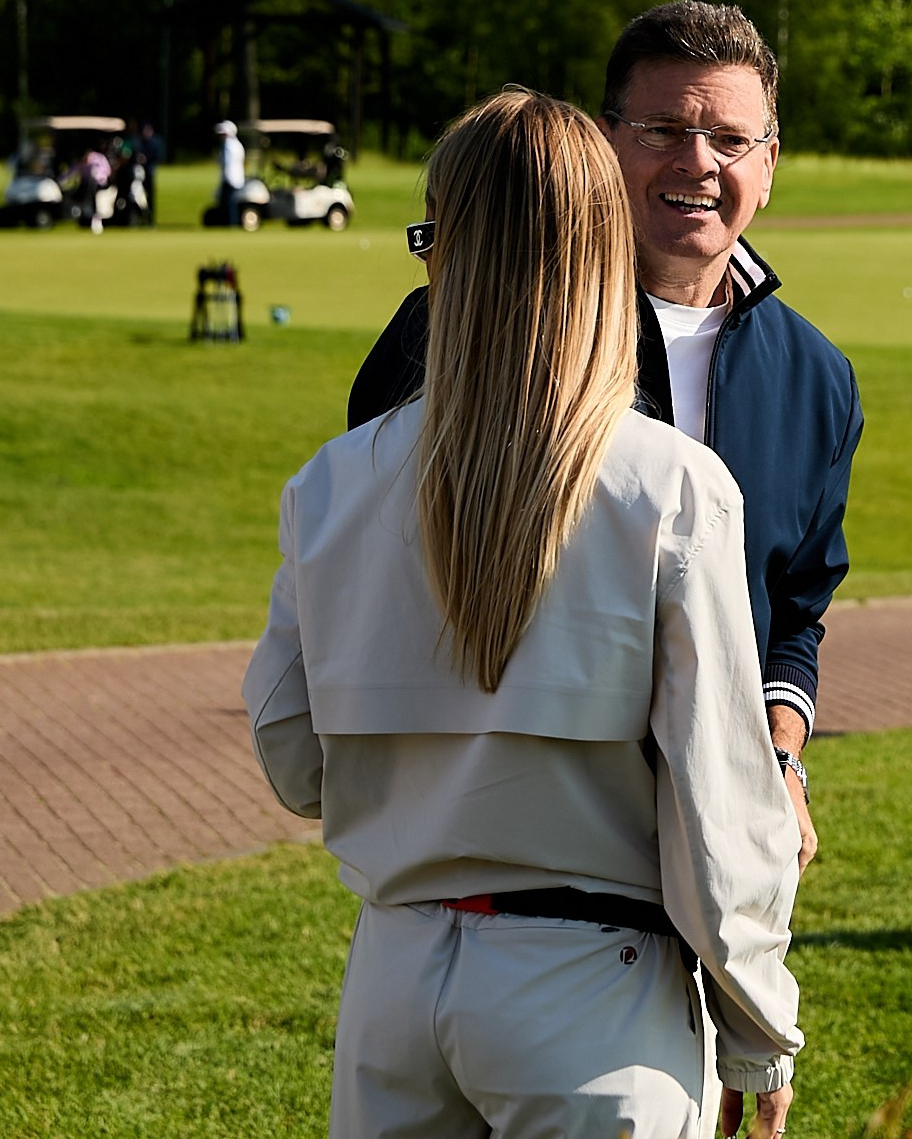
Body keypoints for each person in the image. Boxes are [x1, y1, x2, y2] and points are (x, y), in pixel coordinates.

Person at [242, 91, 804, 1137]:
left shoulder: (333, 482)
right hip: (597, 992)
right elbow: (721, 809)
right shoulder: (671, 488)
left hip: (398, 984)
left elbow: (290, 756)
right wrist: (757, 1031)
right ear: (601, 253)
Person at [347, 2, 862, 866]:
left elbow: (795, 604)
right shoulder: (454, 329)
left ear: (768, 164)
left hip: (724, 839)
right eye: (663, 129)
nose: (698, 162)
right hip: (513, 849)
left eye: (730, 140)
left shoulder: (817, 377)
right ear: (602, 143)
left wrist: (779, 759)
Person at [214, 120, 247, 218]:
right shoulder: (236, 144)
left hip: (231, 178)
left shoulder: (229, 145)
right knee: (228, 201)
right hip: (233, 177)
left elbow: (227, 162)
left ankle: (231, 222)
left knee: (229, 202)